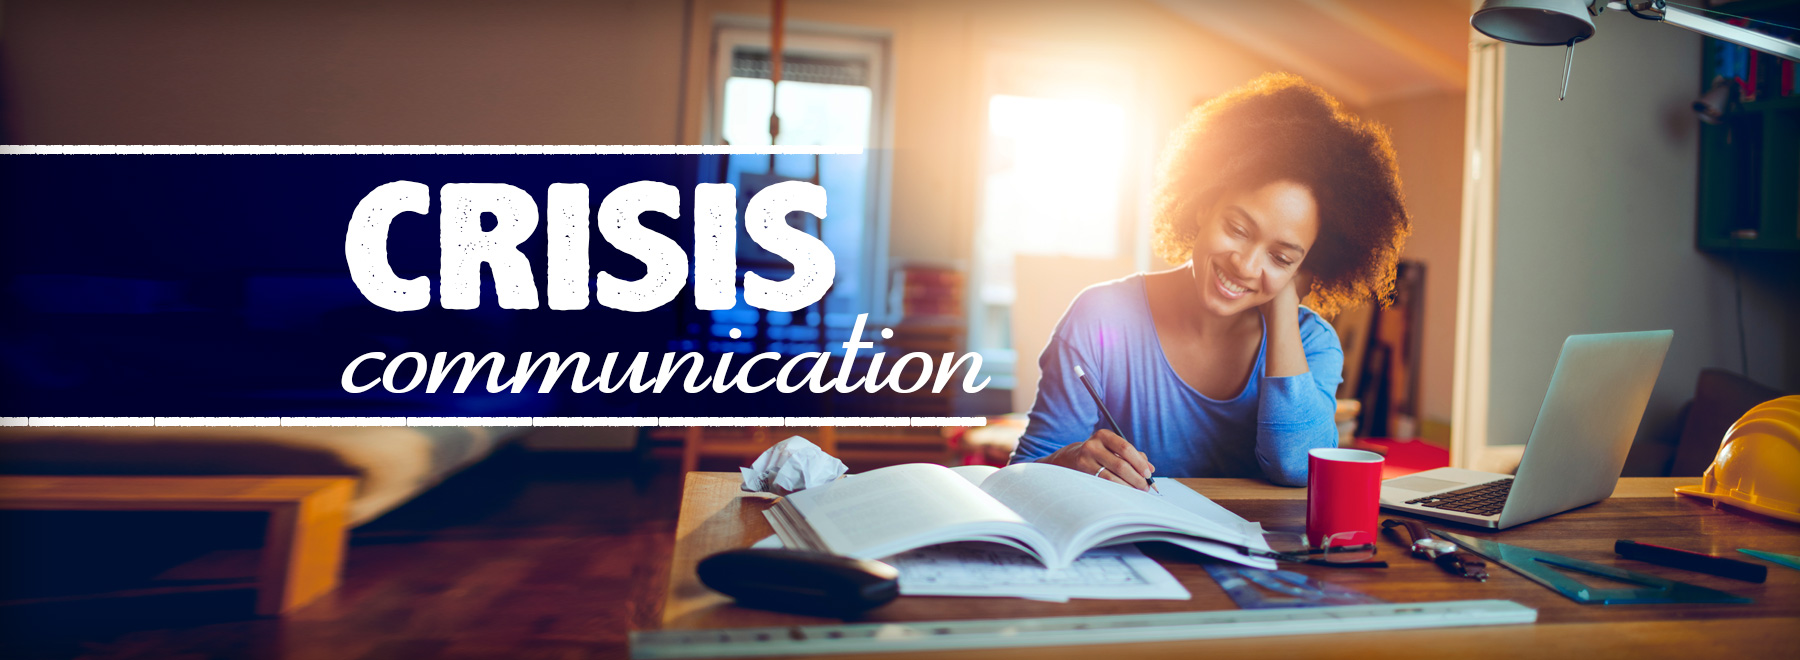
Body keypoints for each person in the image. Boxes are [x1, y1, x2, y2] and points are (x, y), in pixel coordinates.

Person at [1010, 73, 1410, 489]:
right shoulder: (1099, 315)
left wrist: (1282, 309)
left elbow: (1297, 469)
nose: (1245, 263)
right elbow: (1021, 473)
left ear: (1306, 268)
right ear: (1203, 205)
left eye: (1280, 256)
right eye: (1237, 228)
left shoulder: (1314, 346)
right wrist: (1071, 458)